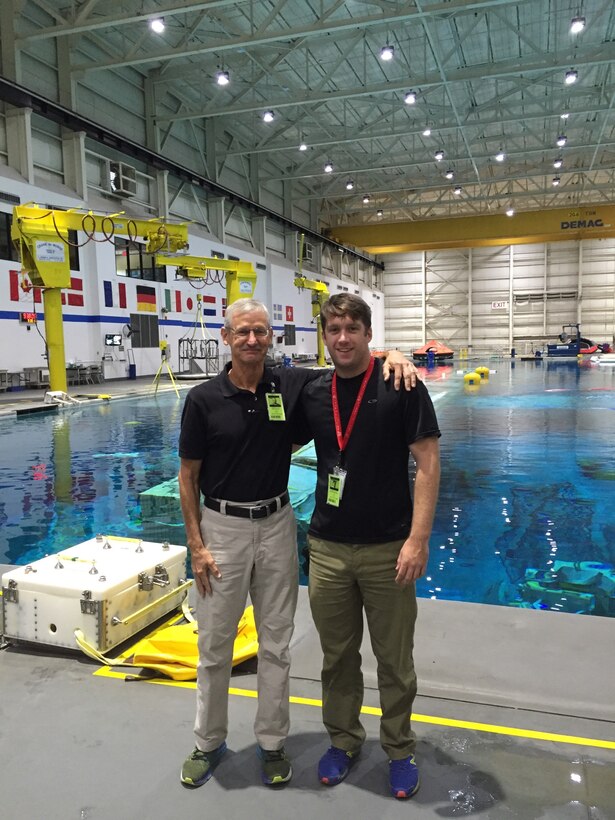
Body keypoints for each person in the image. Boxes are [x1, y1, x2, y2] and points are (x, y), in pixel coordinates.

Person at [177, 297, 417, 789]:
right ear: (226, 337)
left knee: (276, 643)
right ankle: (207, 742)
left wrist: (394, 353)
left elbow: (351, 356)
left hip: (277, 521)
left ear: (271, 338)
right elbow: (187, 477)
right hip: (221, 528)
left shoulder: (290, 384)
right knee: (214, 644)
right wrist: (197, 546)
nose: (251, 340)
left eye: (261, 332)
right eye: (242, 332)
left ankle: (271, 743)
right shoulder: (202, 399)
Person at [297, 293, 441, 799]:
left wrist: (418, 539)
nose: (342, 338)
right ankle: (344, 740)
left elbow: (427, 462)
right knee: (337, 657)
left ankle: (399, 748)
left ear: (367, 333)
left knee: (394, 659)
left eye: (351, 329)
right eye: (333, 328)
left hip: (388, 549)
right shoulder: (314, 391)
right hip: (329, 548)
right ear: (324, 334)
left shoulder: (400, 384)